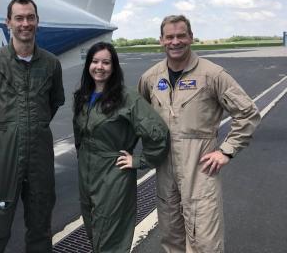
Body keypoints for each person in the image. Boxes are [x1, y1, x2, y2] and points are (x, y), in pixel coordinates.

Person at [138, 15, 261, 253]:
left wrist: (226, 151)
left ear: (191, 38)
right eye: (170, 37)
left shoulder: (212, 75)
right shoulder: (151, 78)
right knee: (171, 236)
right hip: (165, 171)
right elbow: (137, 115)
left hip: (200, 170)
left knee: (205, 241)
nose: (175, 42)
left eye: (181, 35)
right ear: (161, 41)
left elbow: (247, 112)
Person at [0, 0, 65, 252]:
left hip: (40, 158)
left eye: (30, 17)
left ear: (37, 21)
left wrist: (32, 127)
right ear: (7, 22)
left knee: (41, 226)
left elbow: (53, 104)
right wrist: (4, 133)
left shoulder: (51, 64)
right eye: (19, 18)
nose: (25, 23)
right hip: (3, 158)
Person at [73, 41, 170, 252]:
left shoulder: (127, 98)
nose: (99, 67)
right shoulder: (82, 96)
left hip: (113, 175)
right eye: (95, 61)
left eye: (106, 62)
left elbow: (158, 132)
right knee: (93, 228)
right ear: (88, 64)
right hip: (87, 174)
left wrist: (140, 160)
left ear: (114, 67)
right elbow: (79, 131)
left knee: (111, 237)